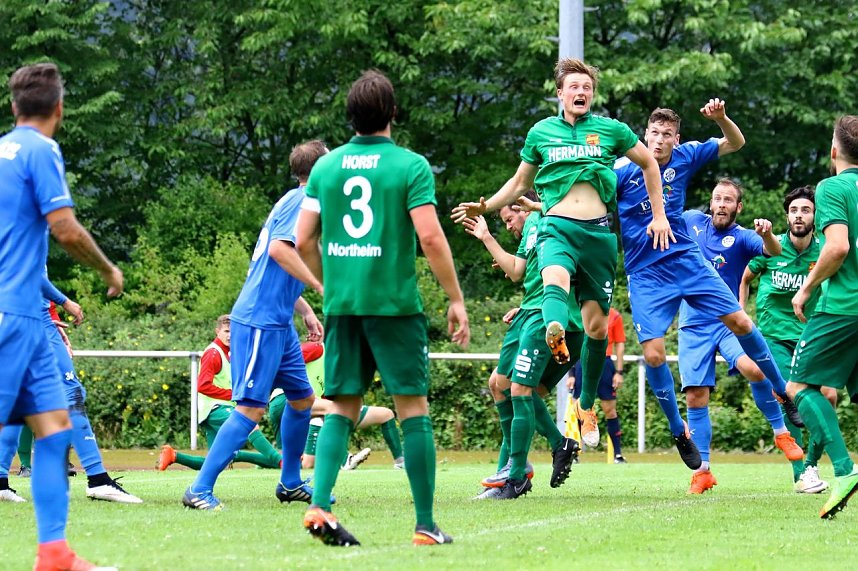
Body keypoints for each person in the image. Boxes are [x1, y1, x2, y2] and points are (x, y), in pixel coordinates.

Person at [453, 57, 672, 452]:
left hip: (599, 236)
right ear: (560, 94)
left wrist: (659, 215)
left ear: (593, 94)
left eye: (587, 87)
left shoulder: (610, 130)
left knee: (595, 329)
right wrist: (484, 208)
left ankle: (586, 405)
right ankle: (554, 330)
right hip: (557, 226)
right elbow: (519, 182)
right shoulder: (542, 132)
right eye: (573, 87)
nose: (581, 92)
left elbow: (650, 166)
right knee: (554, 276)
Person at [296, 70, 469, 546]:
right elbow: (431, 237)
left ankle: (320, 505)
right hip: (394, 307)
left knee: (341, 406)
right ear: (393, 113)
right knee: (412, 408)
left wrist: (331, 280)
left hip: (343, 307)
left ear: (350, 116)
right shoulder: (410, 166)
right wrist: (455, 298)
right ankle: (425, 525)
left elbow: (304, 238)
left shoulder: (326, 169)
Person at [614, 102, 802, 472]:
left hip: (685, 262)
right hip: (646, 274)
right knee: (653, 356)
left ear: (676, 139)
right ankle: (678, 432)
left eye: (668, 134)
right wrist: (542, 208)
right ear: (645, 135)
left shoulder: (685, 157)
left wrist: (720, 119)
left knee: (743, 323)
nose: (661, 140)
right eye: (655, 133)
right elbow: (586, 197)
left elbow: (735, 141)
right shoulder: (622, 169)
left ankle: (782, 392)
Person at [0, 62, 123, 570]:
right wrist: (108, 269)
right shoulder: (41, 149)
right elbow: (65, 228)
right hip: (14, 316)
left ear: (13, 107)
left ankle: (54, 553)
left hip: (27, 315)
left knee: (53, 428)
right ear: (59, 109)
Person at [181, 140, 328, 511]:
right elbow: (280, 251)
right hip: (259, 321)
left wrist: (305, 309)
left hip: (279, 323)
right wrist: (319, 284)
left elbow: (273, 263)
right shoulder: (300, 202)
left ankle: (290, 482)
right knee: (250, 408)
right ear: (320, 169)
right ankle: (199, 489)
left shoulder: (295, 200)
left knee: (302, 400)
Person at [678, 178, 803, 494]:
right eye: (717, 198)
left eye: (728, 200)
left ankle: (780, 431)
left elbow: (773, 251)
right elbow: (660, 221)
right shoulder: (691, 221)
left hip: (728, 320)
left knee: (755, 367)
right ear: (711, 202)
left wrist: (769, 234)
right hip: (693, 323)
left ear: (738, 207)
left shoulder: (745, 237)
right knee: (695, 395)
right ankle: (703, 472)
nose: (721, 204)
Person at [462, 200, 581, 500]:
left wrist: (488, 234)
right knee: (499, 385)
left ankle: (515, 475)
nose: (509, 227)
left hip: (546, 316)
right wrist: (490, 241)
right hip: (529, 311)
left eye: (508, 219)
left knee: (519, 391)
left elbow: (522, 271)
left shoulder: (542, 217)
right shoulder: (533, 231)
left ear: (523, 208)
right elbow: (518, 270)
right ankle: (541, 453)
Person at [740, 186, 835, 493]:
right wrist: (742, 317)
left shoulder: (824, 251)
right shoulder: (772, 248)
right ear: (787, 216)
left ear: (814, 216)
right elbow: (745, 278)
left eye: (805, 210)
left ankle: (810, 464)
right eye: (794, 211)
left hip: (811, 335)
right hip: (773, 336)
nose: (799, 215)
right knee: (793, 395)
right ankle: (800, 473)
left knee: (829, 397)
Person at [788, 115, 858, 519]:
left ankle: (845, 470)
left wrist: (807, 287)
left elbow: (836, 248)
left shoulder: (831, 187)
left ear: (834, 151)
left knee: (799, 386)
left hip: (843, 306)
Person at [158, 314, 283, 471]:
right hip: (215, 409)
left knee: (217, 463)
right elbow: (203, 386)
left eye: (234, 331)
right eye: (226, 331)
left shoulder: (229, 353)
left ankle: (174, 456)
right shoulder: (213, 353)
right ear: (217, 331)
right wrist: (233, 396)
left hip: (213, 410)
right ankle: (281, 461)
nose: (230, 335)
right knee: (250, 424)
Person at [267, 341, 404, 471]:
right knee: (334, 410)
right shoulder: (318, 349)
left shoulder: (341, 374)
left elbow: (336, 412)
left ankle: (401, 463)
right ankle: (345, 459)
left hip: (305, 409)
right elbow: (283, 362)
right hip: (284, 398)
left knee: (386, 414)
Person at [568, 307, 627, 463]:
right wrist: (571, 374)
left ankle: (618, 455)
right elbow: (574, 343)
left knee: (610, 410)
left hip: (606, 363)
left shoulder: (615, 316)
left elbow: (620, 344)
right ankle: (575, 453)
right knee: (579, 409)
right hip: (583, 362)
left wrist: (619, 372)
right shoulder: (580, 312)